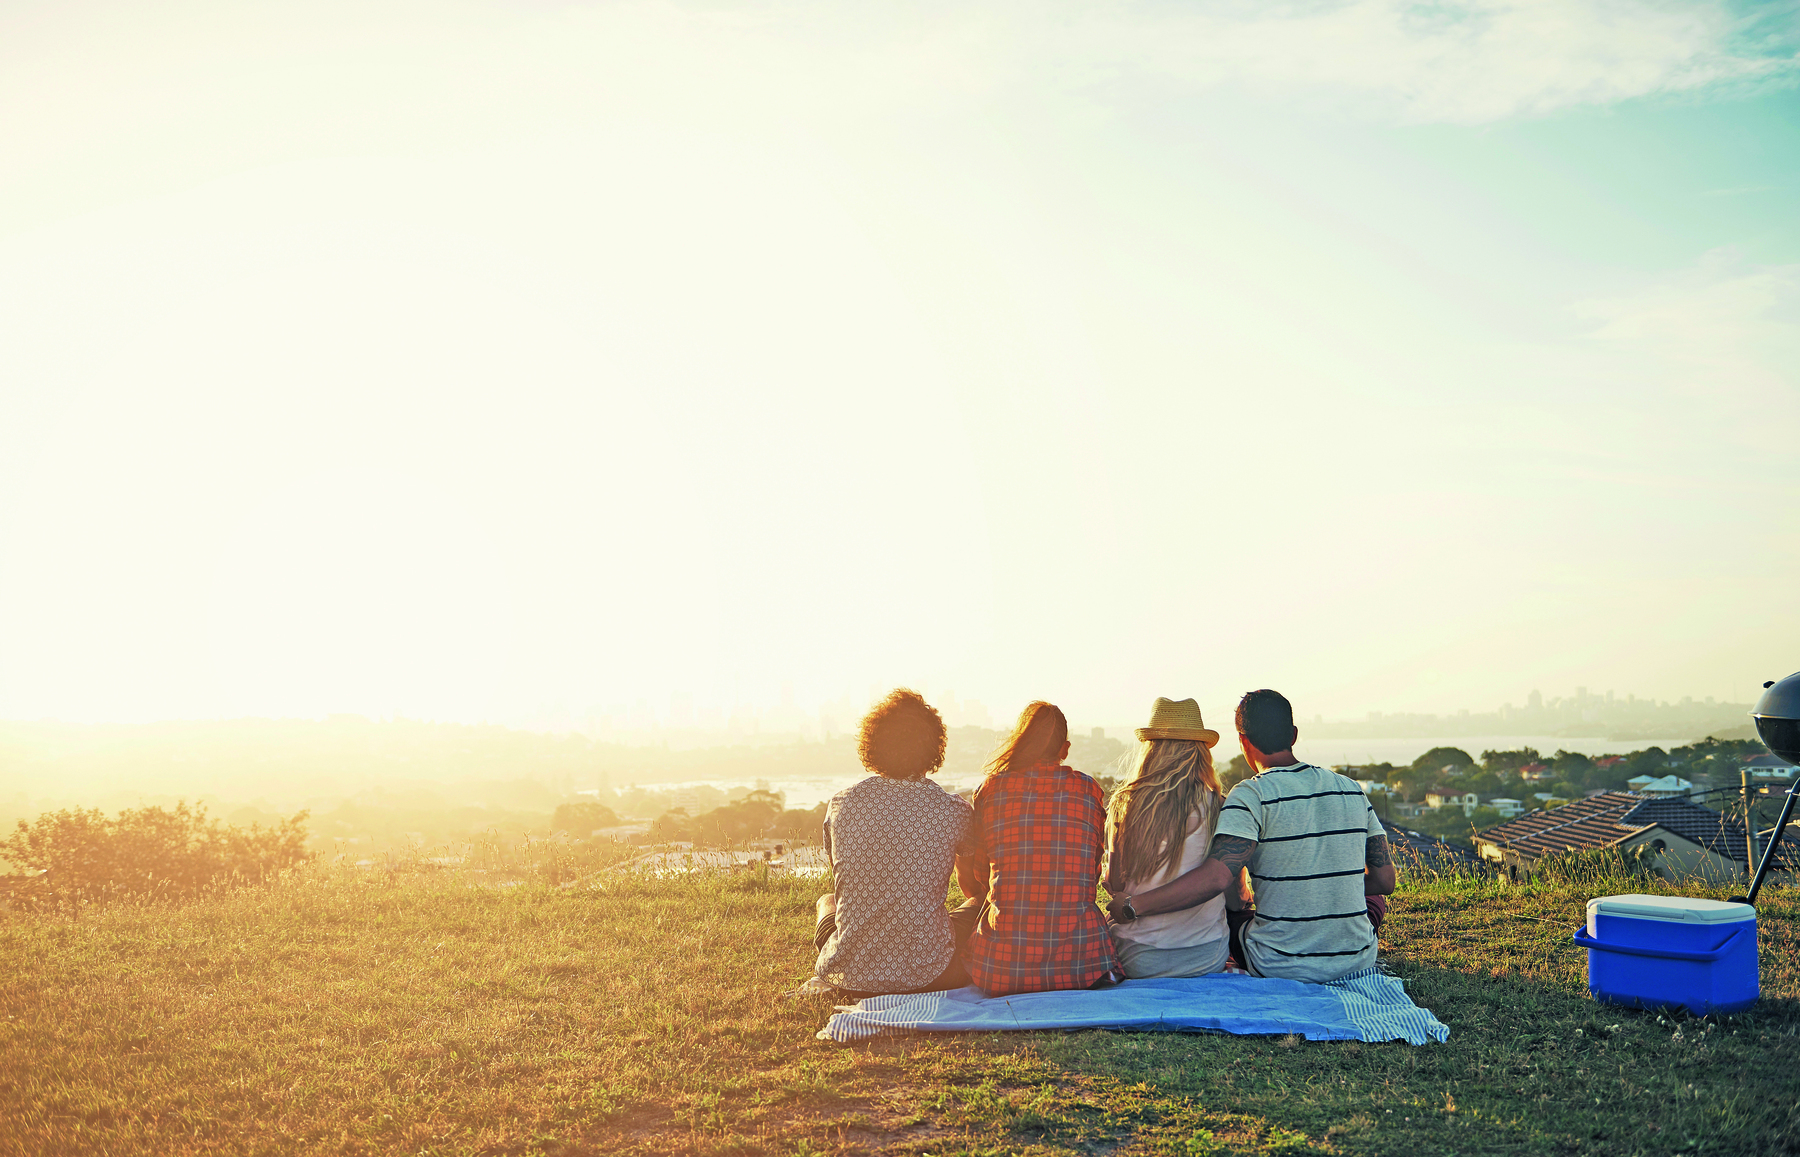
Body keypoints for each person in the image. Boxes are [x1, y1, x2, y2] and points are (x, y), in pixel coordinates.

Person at [1106, 689, 1395, 983]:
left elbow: (1217, 877)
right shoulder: (1351, 789)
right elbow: (1385, 881)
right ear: (1293, 735)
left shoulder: (1249, 795)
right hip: (1357, 960)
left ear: (1243, 741)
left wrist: (1134, 905)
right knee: (1375, 902)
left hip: (1276, 963)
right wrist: (1328, 888)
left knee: (1235, 918)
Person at [813, 689, 982, 999]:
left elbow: (841, 883)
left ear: (873, 744)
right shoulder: (954, 810)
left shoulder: (841, 805)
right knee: (980, 902)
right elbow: (971, 887)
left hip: (848, 974)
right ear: (933, 748)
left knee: (826, 900)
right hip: (931, 974)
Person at [962, 701, 1120, 995]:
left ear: (1019, 743)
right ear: (1065, 749)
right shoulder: (1088, 790)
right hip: (1085, 965)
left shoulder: (991, 790)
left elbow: (981, 875)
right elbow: (1092, 871)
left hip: (1001, 970)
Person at [1104, 698, 1231, 978]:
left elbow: (1116, 884)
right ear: (1199, 752)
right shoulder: (1219, 806)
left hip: (1138, 956)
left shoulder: (1126, 805)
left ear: (1151, 750)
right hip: (1207, 955)